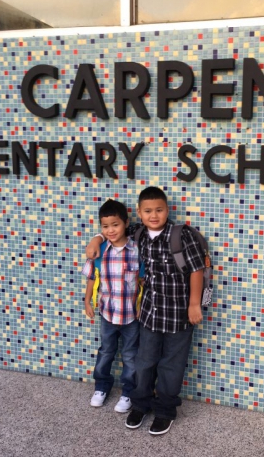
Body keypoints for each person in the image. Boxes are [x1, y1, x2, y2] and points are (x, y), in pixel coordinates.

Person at [86, 187, 205, 436]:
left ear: (167, 210)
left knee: (171, 365)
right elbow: (113, 229)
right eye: (148, 211)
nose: (154, 215)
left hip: (179, 315)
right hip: (150, 314)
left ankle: (165, 410)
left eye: (159, 210)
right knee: (144, 362)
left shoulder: (181, 235)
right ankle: (140, 404)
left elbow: (197, 269)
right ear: (139, 213)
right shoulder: (137, 233)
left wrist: (194, 304)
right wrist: (96, 239)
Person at [81, 199, 140, 413]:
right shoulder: (99, 250)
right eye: (105, 226)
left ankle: (128, 391)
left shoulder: (136, 250)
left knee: (130, 355)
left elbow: (142, 281)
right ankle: (101, 386)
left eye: (115, 224)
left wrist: (142, 306)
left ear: (126, 223)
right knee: (106, 351)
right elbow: (91, 278)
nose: (110, 230)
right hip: (107, 313)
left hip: (131, 316)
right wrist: (87, 301)